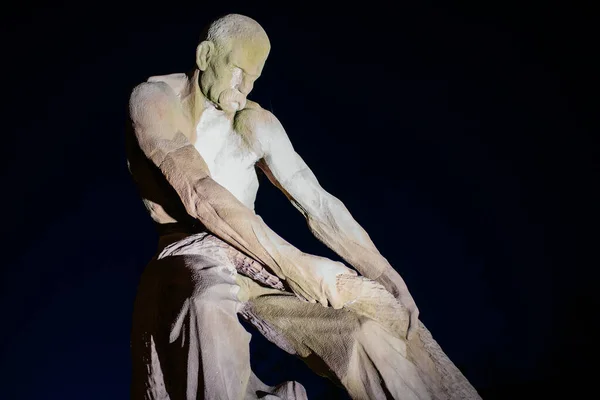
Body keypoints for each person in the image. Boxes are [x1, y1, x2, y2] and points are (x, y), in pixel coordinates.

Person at [127, 13, 474, 400]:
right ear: (206, 55)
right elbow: (197, 189)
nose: (244, 88)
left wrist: (386, 275)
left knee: (363, 334)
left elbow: (319, 205)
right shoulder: (156, 99)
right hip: (190, 251)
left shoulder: (252, 122)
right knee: (207, 300)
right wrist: (296, 265)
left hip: (256, 262)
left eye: (254, 78)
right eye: (237, 73)